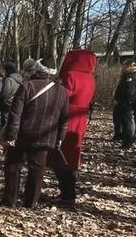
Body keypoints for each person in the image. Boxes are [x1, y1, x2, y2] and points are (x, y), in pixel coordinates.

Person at [1, 58, 69, 208]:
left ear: (37, 70)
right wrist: (60, 138)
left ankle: (9, 200)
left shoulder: (27, 86)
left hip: (23, 134)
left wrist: (11, 136)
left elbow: (15, 114)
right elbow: (64, 118)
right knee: (37, 170)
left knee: (13, 166)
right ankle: (31, 202)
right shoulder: (62, 91)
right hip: (46, 136)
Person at [48, 49, 97, 206]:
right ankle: (68, 192)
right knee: (73, 154)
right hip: (80, 118)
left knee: (62, 154)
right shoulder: (90, 77)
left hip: (68, 116)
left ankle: (67, 194)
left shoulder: (71, 75)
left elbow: (63, 94)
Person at [113, 58, 136, 148]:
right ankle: (120, 136)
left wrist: (127, 100)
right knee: (119, 119)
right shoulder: (127, 75)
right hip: (123, 102)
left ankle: (128, 141)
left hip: (128, 103)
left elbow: (129, 91)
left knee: (128, 122)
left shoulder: (132, 77)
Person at [0, 62, 23, 129]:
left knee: (6, 123)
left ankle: (5, 137)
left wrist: (2, 102)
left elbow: (5, 94)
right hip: (16, 102)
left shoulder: (8, 80)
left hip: (7, 104)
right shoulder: (20, 79)